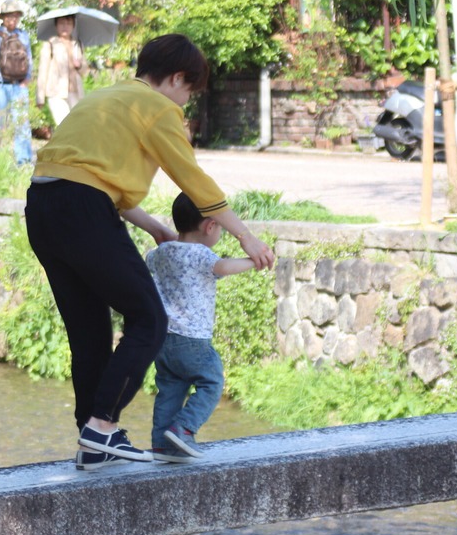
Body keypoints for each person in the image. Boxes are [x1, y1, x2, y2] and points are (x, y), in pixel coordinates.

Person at [24, 33, 275, 471]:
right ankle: (102, 426)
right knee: (149, 318)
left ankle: (92, 440)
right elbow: (192, 180)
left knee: (89, 330)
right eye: (189, 91)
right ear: (178, 78)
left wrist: (157, 227)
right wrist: (246, 238)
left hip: (42, 208)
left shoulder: (106, 98)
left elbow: (93, 179)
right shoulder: (160, 107)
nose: (186, 102)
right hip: (85, 210)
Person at [146, 193, 257, 464]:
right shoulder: (201, 255)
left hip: (162, 338)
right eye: (219, 226)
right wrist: (255, 261)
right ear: (210, 226)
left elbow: (147, 266)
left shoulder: (159, 253)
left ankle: (162, 446)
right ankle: (183, 429)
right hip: (192, 339)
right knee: (212, 380)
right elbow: (225, 267)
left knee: (170, 388)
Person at [0, 0, 34, 164]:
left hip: (19, 85)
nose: (13, 19)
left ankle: (23, 160)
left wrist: (27, 78)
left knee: (22, 123)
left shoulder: (23, 35)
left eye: (15, 16)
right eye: (9, 16)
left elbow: (29, 58)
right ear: (3, 17)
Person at [36, 15, 88, 127]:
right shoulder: (50, 43)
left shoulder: (77, 44)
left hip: (75, 92)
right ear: (56, 25)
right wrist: (40, 97)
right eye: (62, 23)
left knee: (77, 125)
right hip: (56, 92)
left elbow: (85, 70)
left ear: (73, 26)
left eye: (69, 24)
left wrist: (79, 65)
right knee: (64, 125)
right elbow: (43, 69)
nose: (65, 27)